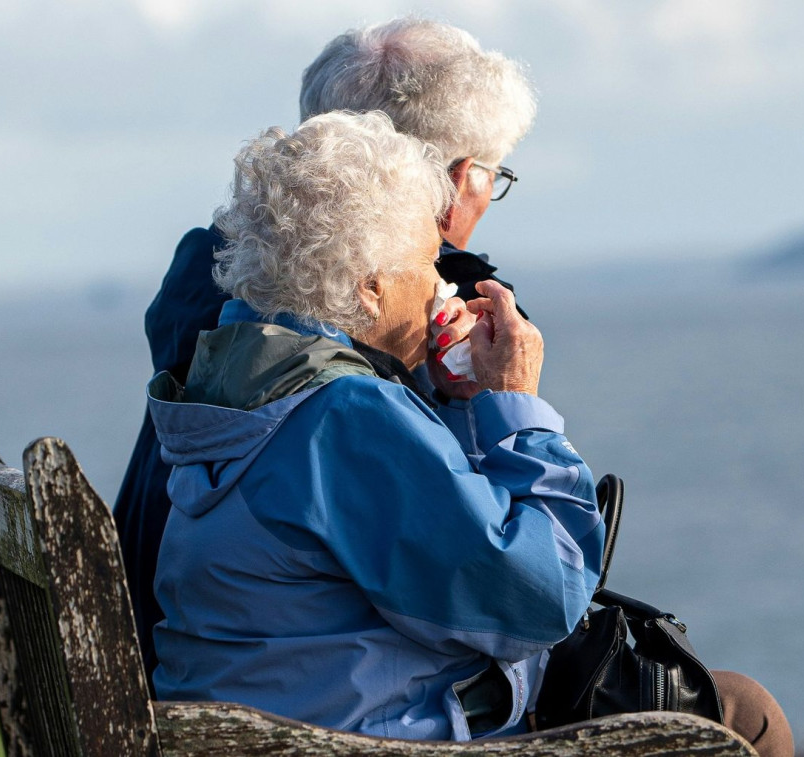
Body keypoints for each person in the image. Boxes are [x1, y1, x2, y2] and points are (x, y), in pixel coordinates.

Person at [147, 111, 602, 741]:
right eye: (429, 260)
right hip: (355, 742)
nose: (441, 283)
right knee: (731, 713)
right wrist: (515, 403)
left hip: (261, 731)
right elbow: (542, 598)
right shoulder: (344, 416)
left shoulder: (241, 379)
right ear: (369, 288)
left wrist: (456, 401)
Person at [113, 17, 538, 686]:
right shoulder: (378, 350)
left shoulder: (221, 291)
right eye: (494, 173)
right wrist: (507, 406)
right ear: (456, 180)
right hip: (294, 702)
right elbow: (515, 594)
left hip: (156, 651)